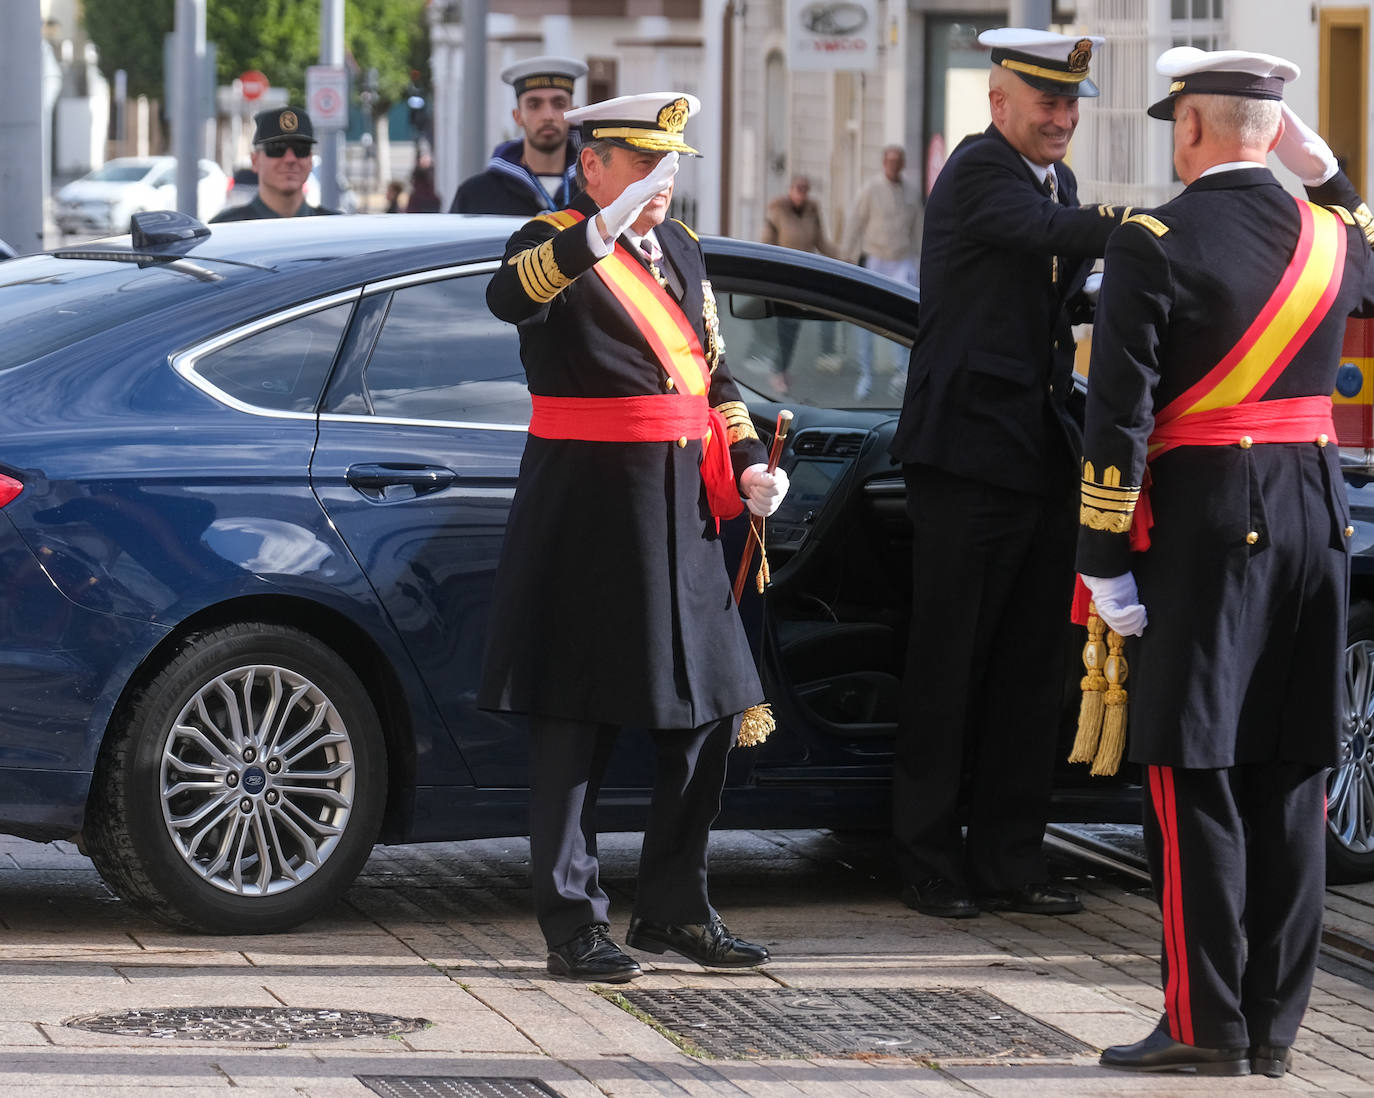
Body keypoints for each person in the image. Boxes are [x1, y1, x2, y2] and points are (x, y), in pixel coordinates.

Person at [1082, 47, 1374, 1078]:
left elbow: (1116, 421)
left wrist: (1102, 557)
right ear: (1275, 134)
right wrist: (1331, 177)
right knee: (1293, 766)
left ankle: (1203, 1024)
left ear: (1192, 129)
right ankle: (1275, 1031)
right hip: (1315, 512)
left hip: (1209, 521)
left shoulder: (1153, 241)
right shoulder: (1333, 238)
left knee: (1191, 767)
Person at [480, 91, 790, 982]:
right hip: (588, 509)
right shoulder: (548, 241)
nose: (662, 182)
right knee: (575, 720)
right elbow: (511, 297)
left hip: (683, 510)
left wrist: (746, 463)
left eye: (671, 166)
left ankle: (675, 907)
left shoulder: (684, 250)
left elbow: (714, 375)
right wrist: (598, 228)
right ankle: (572, 921)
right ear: (594, 166)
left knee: (707, 708)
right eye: (643, 165)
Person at [886, 29, 1128, 921]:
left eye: (1070, 104)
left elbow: (1055, 282)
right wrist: (1144, 228)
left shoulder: (1052, 182)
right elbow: (1050, 237)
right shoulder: (984, 171)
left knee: (1034, 667)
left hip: (1033, 452)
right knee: (950, 666)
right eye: (1047, 102)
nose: (1062, 117)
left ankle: (1009, 862)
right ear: (999, 104)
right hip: (964, 455)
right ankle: (923, 861)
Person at [450, 56, 587, 215]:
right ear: (517, 116)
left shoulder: (596, 193)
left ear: (573, 113)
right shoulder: (475, 195)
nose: (548, 115)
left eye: (559, 104)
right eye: (534, 105)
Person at [840, 145, 921, 398]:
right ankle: (867, 374)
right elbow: (855, 221)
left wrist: (922, 261)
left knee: (907, 311)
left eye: (899, 161)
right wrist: (847, 256)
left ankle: (902, 373)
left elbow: (919, 227)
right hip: (876, 258)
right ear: (884, 163)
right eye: (890, 161)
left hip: (903, 259)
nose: (894, 165)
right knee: (869, 319)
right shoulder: (870, 189)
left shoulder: (912, 192)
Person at [759, 175, 840, 393]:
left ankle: (783, 369)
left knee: (794, 325)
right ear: (791, 189)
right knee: (784, 325)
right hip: (783, 276)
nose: (801, 193)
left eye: (805, 189)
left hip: (804, 276)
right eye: (798, 188)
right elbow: (767, 242)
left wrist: (842, 259)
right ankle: (777, 370)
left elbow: (821, 241)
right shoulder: (778, 210)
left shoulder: (812, 211)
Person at [210, 106, 339, 222]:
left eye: (301, 149)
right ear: (255, 161)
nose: (290, 159)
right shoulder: (226, 228)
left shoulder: (333, 228)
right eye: (277, 149)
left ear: (310, 160)